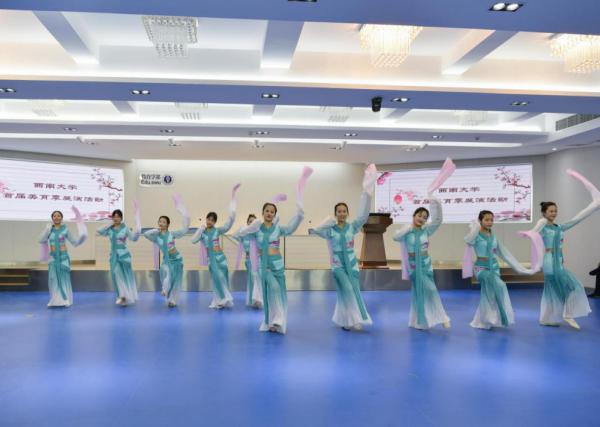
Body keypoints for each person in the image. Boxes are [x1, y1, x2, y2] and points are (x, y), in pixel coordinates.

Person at [237, 167, 313, 334]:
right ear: (262, 213)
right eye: (267, 211)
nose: (269, 213)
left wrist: (299, 216)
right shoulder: (256, 229)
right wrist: (251, 226)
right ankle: (277, 319)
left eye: (272, 211)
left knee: (275, 293)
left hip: (278, 266)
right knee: (274, 289)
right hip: (264, 267)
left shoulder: (278, 229)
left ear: (274, 214)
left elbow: (291, 228)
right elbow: (239, 234)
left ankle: (273, 322)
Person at [522, 169, 600, 329]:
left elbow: (577, 219)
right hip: (550, 261)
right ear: (544, 213)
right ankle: (567, 313)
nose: (554, 213)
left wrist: (594, 206)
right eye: (551, 211)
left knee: (551, 290)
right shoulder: (543, 225)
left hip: (558, 261)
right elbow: (535, 231)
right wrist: (532, 230)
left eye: (555, 211)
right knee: (575, 286)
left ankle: (545, 318)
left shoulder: (559, 227)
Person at [311, 164, 377, 331]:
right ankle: (353, 320)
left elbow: (362, 216)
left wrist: (367, 195)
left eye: (344, 211)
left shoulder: (352, 227)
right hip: (338, 266)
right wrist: (326, 223)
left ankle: (347, 320)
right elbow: (315, 231)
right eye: (339, 211)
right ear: (335, 213)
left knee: (352, 291)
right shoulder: (330, 230)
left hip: (352, 265)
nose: (342, 213)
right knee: (347, 289)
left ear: (347, 213)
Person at [393, 158, 455, 330]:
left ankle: (418, 321)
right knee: (431, 290)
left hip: (427, 264)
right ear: (414, 216)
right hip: (414, 266)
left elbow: (438, 220)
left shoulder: (426, 230)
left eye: (425, 217)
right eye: (419, 216)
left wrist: (435, 203)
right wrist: (408, 228)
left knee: (420, 293)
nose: (422, 219)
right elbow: (395, 238)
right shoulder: (407, 231)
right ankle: (443, 317)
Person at [463, 210, 542, 329]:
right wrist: (475, 228)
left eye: (491, 220)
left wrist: (522, 269)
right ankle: (493, 317)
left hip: (494, 268)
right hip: (481, 268)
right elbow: (468, 240)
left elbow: (504, 254)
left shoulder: (492, 235)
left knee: (489, 293)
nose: (490, 222)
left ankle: (485, 320)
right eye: (486, 220)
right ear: (480, 220)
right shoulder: (475, 235)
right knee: (500, 286)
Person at [191, 183, 240, 309]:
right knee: (216, 279)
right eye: (208, 219)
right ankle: (220, 299)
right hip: (211, 259)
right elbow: (193, 240)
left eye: (212, 220)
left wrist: (232, 213)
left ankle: (224, 300)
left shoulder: (217, 230)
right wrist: (200, 230)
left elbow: (228, 225)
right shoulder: (202, 233)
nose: (209, 221)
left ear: (215, 222)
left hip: (221, 258)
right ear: (206, 219)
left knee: (222, 278)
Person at [143, 194, 190, 308]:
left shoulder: (172, 234)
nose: (161, 223)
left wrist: (183, 211)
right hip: (166, 261)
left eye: (164, 222)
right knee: (168, 277)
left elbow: (184, 230)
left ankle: (171, 300)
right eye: (160, 221)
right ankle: (165, 290)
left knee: (173, 280)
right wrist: (155, 230)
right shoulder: (156, 237)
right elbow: (146, 234)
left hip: (176, 259)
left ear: (168, 224)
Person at [38, 206, 87, 307]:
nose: (56, 217)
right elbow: (41, 240)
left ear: (61, 218)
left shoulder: (65, 230)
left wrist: (82, 238)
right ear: (52, 218)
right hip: (53, 258)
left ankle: (65, 300)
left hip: (63, 258)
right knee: (53, 279)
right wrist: (47, 230)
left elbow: (75, 242)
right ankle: (54, 300)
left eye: (58, 216)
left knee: (64, 279)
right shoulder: (49, 230)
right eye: (54, 216)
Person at [96, 204, 141, 306]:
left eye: (118, 216)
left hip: (124, 256)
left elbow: (134, 238)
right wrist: (109, 224)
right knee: (115, 275)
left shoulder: (125, 228)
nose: (116, 218)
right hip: (113, 256)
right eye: (114, 216)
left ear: (121, 218)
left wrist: (138, 230)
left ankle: (125, 296)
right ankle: (121, 296)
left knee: (125, 276)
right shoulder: (110, 229)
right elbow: (99, 231)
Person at [233, 214, 263, 308]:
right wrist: (244, 229)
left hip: (258, 259)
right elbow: (235, 235)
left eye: (254, 222)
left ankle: (258, 299)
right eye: (250, 221)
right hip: (248, 260)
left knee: (258, 278)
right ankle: (252, 300)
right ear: (247, 223)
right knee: (251, 280)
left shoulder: (258, 233)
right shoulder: (244, 234)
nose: (252, 223)